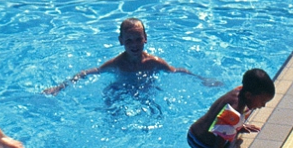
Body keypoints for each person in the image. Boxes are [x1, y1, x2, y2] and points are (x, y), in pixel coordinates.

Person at [42, 18, 218, 94]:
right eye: (129, 41)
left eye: (138, 39)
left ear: (145, 39)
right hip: (121, 88)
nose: (134, 45)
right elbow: (89, 72)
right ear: (121, 41)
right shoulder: (117, 64)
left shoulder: (153, 62)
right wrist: (60, 87)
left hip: (145, 88)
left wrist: (202, 79)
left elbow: (176, 70)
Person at [187, 68, 276, 148]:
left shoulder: (239, 91)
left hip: (194, 131)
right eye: (262, 101)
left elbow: (222, 118)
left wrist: (238, 126)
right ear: (248, 96)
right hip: (202, 144)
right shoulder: (235, 109)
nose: (263, 105)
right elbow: (221, 137)